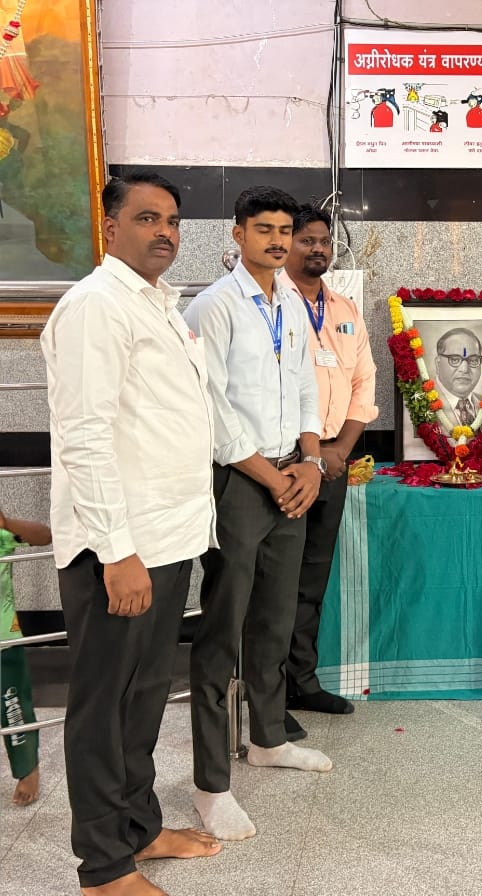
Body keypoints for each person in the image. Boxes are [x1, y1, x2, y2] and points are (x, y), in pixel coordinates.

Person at [40, 171, 221, 895]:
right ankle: (103, 866)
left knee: (143, 697)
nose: (165, 232)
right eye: (147, 218)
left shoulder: (158, 303)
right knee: (104, 706)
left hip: (168, 538)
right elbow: (83, 437)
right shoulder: (96, 306)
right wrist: (116, 553)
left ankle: (138, 827)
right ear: (110, 227)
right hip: (120, 548)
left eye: (172, 220)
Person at [184, 186, 332, 843]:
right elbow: (212, 409)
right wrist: (274, 477)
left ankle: (268, 739)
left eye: (284, 231)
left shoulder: (291, 302)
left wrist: (311, 460)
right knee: (224, 628)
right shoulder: (214, 306)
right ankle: (211, 785)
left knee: (275, 617)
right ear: (238, 234)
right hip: (240, 482)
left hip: (291, 474)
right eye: (263, 229)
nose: (277, 240)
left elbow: (304, 385)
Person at [279, 205, 377, 740]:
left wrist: (339, 449)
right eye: (306, 240)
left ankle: (302, 681)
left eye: (324, 241)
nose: (318, 249)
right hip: (286, 466)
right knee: (275, 584)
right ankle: (267, 694)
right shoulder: (274, 302)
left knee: (311, 581)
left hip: (333, 464)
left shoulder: (343, 307)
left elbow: (364, 382)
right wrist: (313, 455)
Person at [0, 509, 50, 807]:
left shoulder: (2, 534)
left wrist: (7, 522)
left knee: (13, 705)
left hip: (3, 639)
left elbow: (45, 536)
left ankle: (27, 767)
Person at [435, 327, 482, 425]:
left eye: (473, 360)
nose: (464, 369)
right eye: (455, 360)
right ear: (437, 363)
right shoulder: (420, 405)